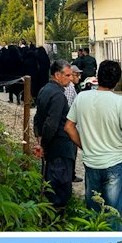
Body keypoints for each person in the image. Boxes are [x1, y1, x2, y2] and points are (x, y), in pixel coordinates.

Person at [64, 59, 122, 229]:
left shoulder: (82, 97)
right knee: (113, 214)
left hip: (91, 163)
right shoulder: (120, 102)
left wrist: (84, 145)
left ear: (97, 76)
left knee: (93, 214)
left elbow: (68, 127)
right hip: (115, 163)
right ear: (117, 80)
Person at [33, 59, 77, 210]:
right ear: (57, 75)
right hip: (60, 147)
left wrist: (40, 141)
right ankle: (57, 223)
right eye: (68, 75)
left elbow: (37, 119)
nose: (71, 79)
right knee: (59, 190)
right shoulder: (58, 95)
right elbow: (51, 124)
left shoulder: (44, 89)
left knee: (51, 184)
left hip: (53, 147)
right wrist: (43, 145)